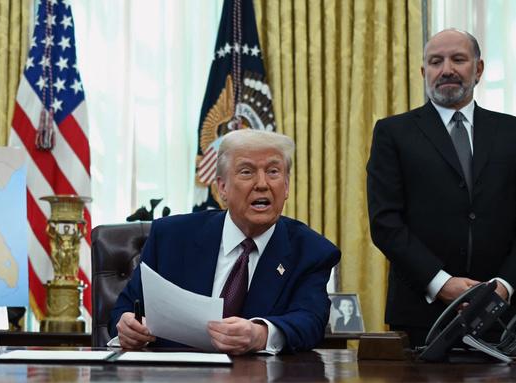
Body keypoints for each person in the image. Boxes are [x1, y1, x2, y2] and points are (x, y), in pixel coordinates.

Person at [110, 129, 341, 354]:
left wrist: (259, 335)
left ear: (287, 186)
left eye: (273, 172)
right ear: (222, 187)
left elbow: (311, 321)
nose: (262, 184)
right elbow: (125, 309)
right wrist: (128, 326)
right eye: (247, 172)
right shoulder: (170, 237)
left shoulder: (311, 251)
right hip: (175, 382)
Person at [367, 29, 516, 347]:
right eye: (436, 61)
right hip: (422, 315)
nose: (446, 69)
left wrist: (504, 285)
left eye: (458, 59)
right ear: (424, 72)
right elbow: (385, 223)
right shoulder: (393, 133)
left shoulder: (511, 132)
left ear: (478, 69)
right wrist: (441, 283)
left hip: (505, 316)